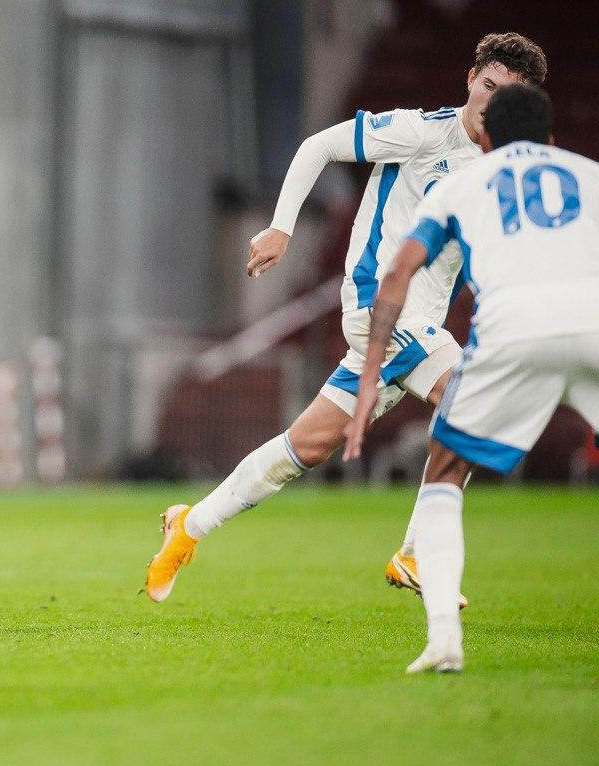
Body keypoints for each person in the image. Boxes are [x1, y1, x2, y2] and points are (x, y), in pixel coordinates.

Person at [145, 33, 548, 604]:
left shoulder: (502, 173)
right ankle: (418, 553)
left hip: (416, 329)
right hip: (377, 306)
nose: (491, 100)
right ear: (470, 79)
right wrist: (281, 227)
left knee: (305, 447)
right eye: (487, 84)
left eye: (507, 94)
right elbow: (318, 146)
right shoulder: (422, 133)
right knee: (469, 397)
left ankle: (190, 525)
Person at [345, 83, 599, 673]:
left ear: (484, 139)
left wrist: (368, 382)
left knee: (444, 469)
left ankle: (444, 639)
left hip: (512, 328)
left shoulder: (462, 184)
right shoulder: (589, 174)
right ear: (551, 137)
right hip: (592, 322)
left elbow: (397, 275)